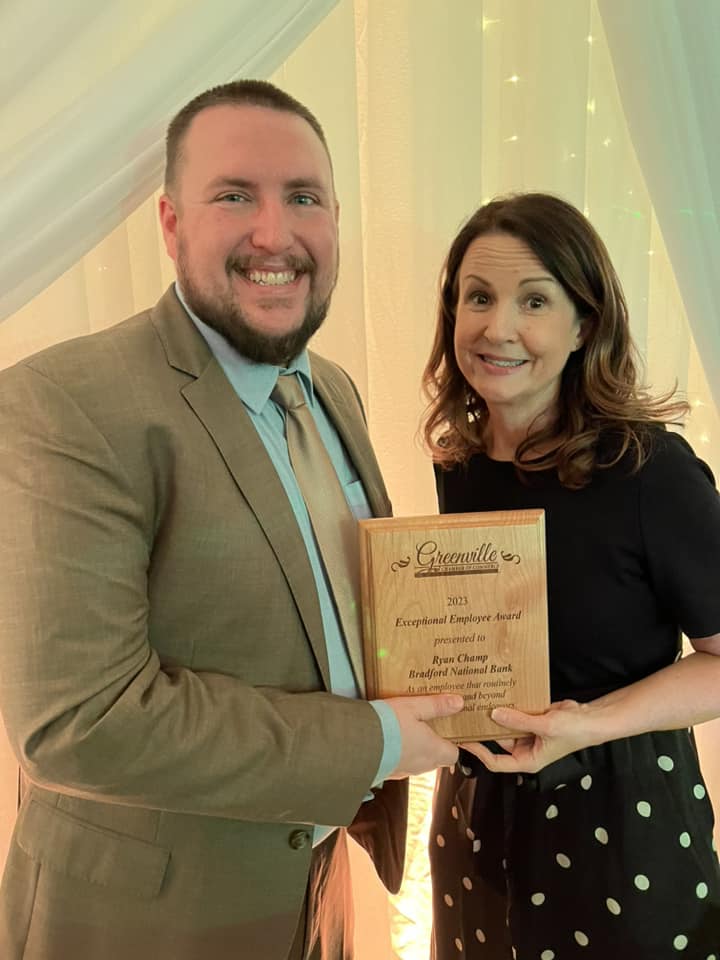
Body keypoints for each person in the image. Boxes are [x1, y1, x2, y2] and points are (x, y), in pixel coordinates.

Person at [0, 80, 464, 960]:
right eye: (234, 195)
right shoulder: (62, 402)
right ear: (172, 224)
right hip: (142, 926)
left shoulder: (333, 389)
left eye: (303, 198)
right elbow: (79, 722)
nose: (274, 234)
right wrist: (378, 741)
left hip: (316, 896)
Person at [422, 192, 720, 959]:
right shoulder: (458, 466)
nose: (499, 328)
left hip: (623, 819)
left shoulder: (652, 473)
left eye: (535, 301)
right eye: (478, 298)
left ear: (584, 324)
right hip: (478, 811)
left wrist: (586, 724)